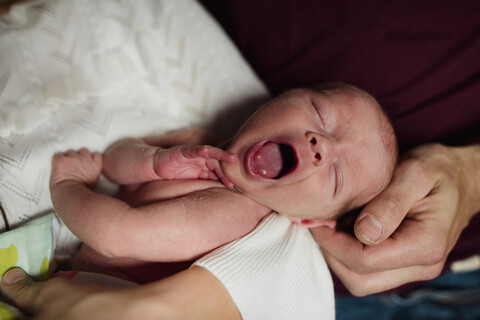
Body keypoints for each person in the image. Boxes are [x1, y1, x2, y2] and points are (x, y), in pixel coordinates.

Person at [49, 83, 397, 283]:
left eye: (336, 176)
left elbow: (114, 234)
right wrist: (151, 162)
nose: (322, 146)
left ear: (307, 220)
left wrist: (68, 185)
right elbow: (113, 163)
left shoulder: (235, 214)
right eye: (322, 115)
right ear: (282, 97)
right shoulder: (201, 142)